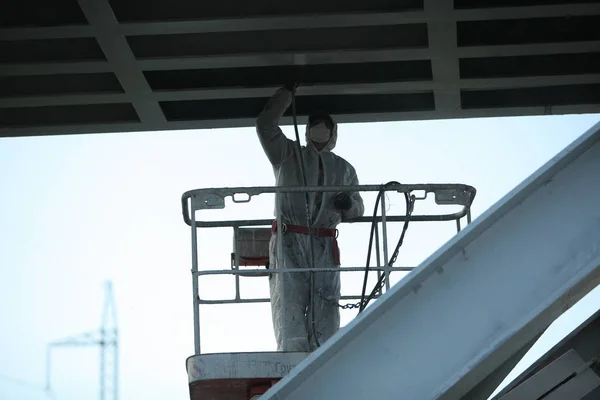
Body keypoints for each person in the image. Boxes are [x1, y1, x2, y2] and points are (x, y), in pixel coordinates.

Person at [256, 85, 365, 352]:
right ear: (306, 130)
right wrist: (285, 95)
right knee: (289, 300)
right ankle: (291, 355)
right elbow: (265, 125)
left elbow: (359, 209)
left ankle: (324, 353)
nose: (321, 129)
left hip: (324, 243)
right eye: (316, 125)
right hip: (289, 238)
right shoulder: (286, 154)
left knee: (326, 303)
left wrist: (347, 204)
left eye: (325, 126)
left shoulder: (344, 168)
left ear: (333, 133)